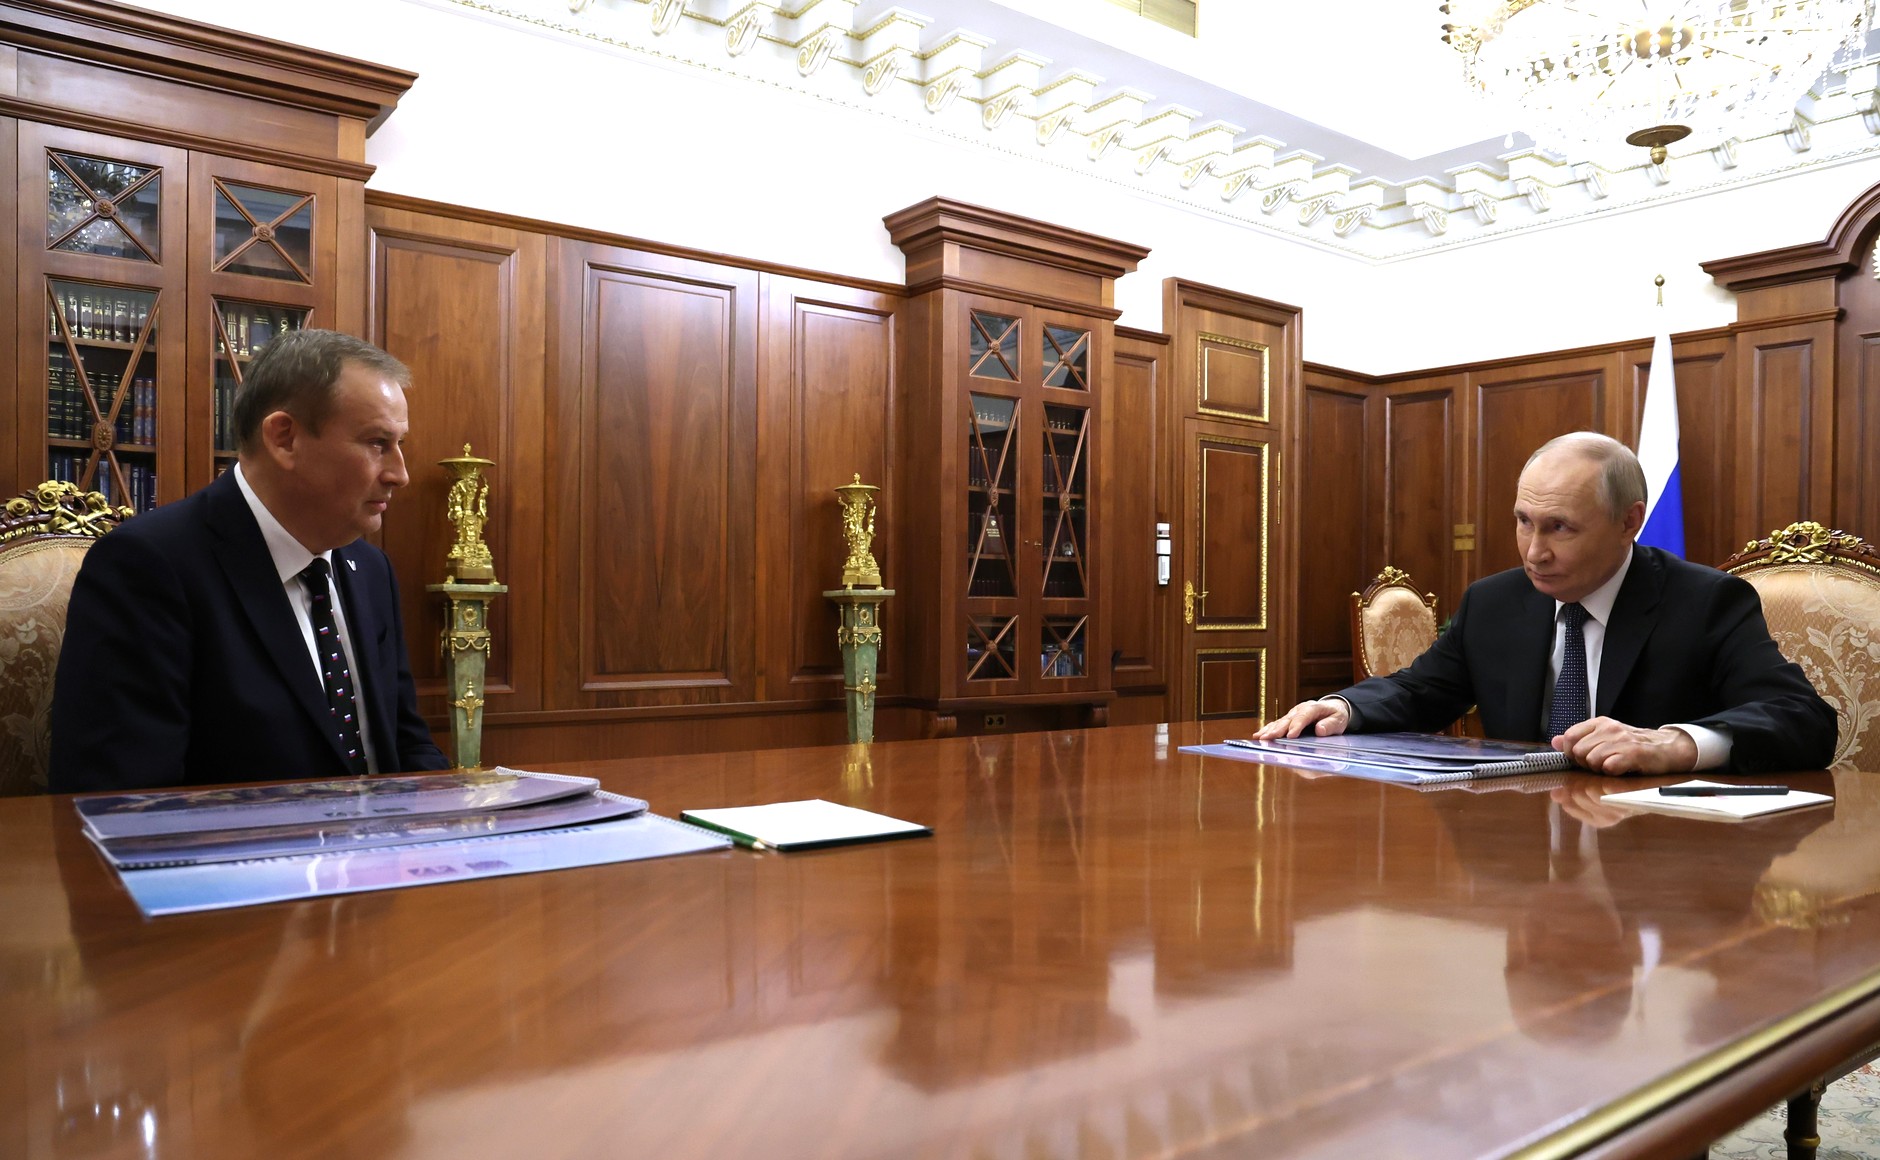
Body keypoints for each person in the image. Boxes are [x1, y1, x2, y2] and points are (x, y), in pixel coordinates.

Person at [1258, 432, 1836, 775]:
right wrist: (1342, 707)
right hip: (1522, 848)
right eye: (1523, 521)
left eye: (1560, 527)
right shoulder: (1494, 602)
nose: (1534, 553)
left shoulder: (1705, 602)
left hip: (1657, 859)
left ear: (1629, 522)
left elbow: (1804, 720)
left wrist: (1677, 743)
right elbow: (1419, 691)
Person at [49, 329, 449, 791]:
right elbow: (121, 799)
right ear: (284, 438)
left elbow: (407, 745)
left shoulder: (371, 571)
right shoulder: (146, 568)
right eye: (378, 442)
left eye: (400, 444)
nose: (400, 474)